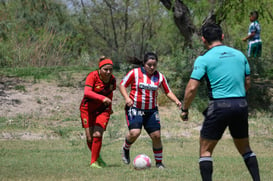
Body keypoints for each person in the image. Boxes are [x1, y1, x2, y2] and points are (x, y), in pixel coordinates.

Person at [180, 23, 260, 181]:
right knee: (245, 148)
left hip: (219, 106)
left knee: (205, 150)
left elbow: (191, 88)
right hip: (241, 104)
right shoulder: (239, 55)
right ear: (222, 37)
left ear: (203, 40)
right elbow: (248, 83)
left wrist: (185, 109)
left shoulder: (204, 59)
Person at [119, 52, 182, 169]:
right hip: (135, 108)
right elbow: (122, 85)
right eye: (149, 65)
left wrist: (177, 101)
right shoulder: (135, 73)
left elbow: (167, 91)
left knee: (156, 136)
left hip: (151, 111)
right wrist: (127, 98)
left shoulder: (160, 77)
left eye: (154, 65)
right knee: (135, 133)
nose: (152, 67)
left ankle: (159, 163)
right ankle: (125, 148)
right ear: (144, 64)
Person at [79, 56, 116, 168]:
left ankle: (93, 162)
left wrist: (109, 105)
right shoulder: (92, 76)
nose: (108, 72)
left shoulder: (112, 79)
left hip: (103, 109)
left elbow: (109, 93)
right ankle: (97, 157)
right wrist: (102, 98)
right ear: (100, 69)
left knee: (98, 134)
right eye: (105, 69)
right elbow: (87, 92)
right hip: (87, 108)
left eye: (110, 70)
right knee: (90, 138)